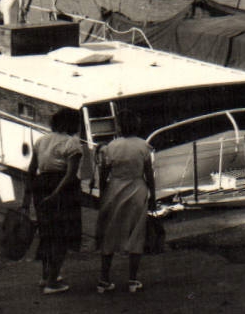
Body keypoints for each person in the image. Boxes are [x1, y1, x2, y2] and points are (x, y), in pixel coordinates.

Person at [26, 108, 85, 295]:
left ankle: (46, 276)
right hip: (63, 190)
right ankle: (52, 281)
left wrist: (26, 199)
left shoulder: (41, 141)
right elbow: (70, 174)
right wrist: (56, 194)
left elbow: (31, 169)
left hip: (41, 184)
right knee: (62, 235)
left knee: (47, 233)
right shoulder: (72, 143)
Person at [94, 115, 155, 294]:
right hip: (137, 189)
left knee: (110, 233)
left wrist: (102, 194)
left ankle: (104, 279)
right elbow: (149, 173)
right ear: (137, 125)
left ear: (120, 126)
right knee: (136, 233)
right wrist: (153, 195)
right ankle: (132, 280)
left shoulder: (111, 146)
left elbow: (104, 174)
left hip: (115, 189)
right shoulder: (143, 146)